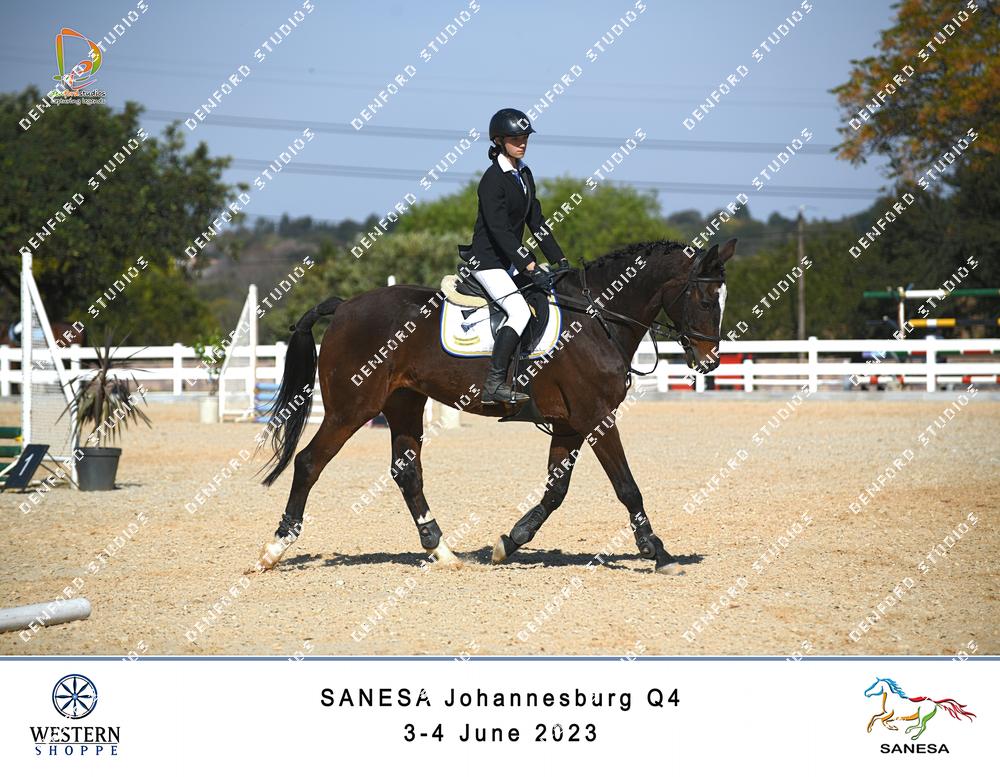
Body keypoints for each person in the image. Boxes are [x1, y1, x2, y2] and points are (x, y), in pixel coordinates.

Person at [469, 107, 565, 405]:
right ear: (499, 141)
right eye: (515, 138)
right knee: (520, 312)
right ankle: (494, 383)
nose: (522, 143)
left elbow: (536, 221)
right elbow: (500, 231)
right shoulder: (492, 180)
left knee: (547, 295)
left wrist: (560, 260)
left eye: (524, 137)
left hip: (509, 263)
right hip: (488, 262)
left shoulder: (524, 174)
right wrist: (530, 264)